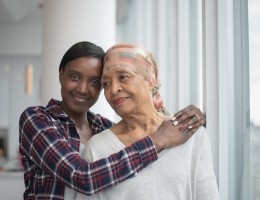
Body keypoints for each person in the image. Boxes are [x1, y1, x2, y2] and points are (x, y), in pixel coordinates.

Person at [19, 41, 206, 200]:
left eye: (95, 82)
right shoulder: (37, 120)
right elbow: (82, 177)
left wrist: (189, 120)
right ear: (61, 74)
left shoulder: (104, 127)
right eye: (74, 77)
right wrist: (158, 140)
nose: (83, 89)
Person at [75, 43, 219, 200]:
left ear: (151, 80)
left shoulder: (191, 134)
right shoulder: (97, 148)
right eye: (106, 83)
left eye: (123, 77)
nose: (113, 89)